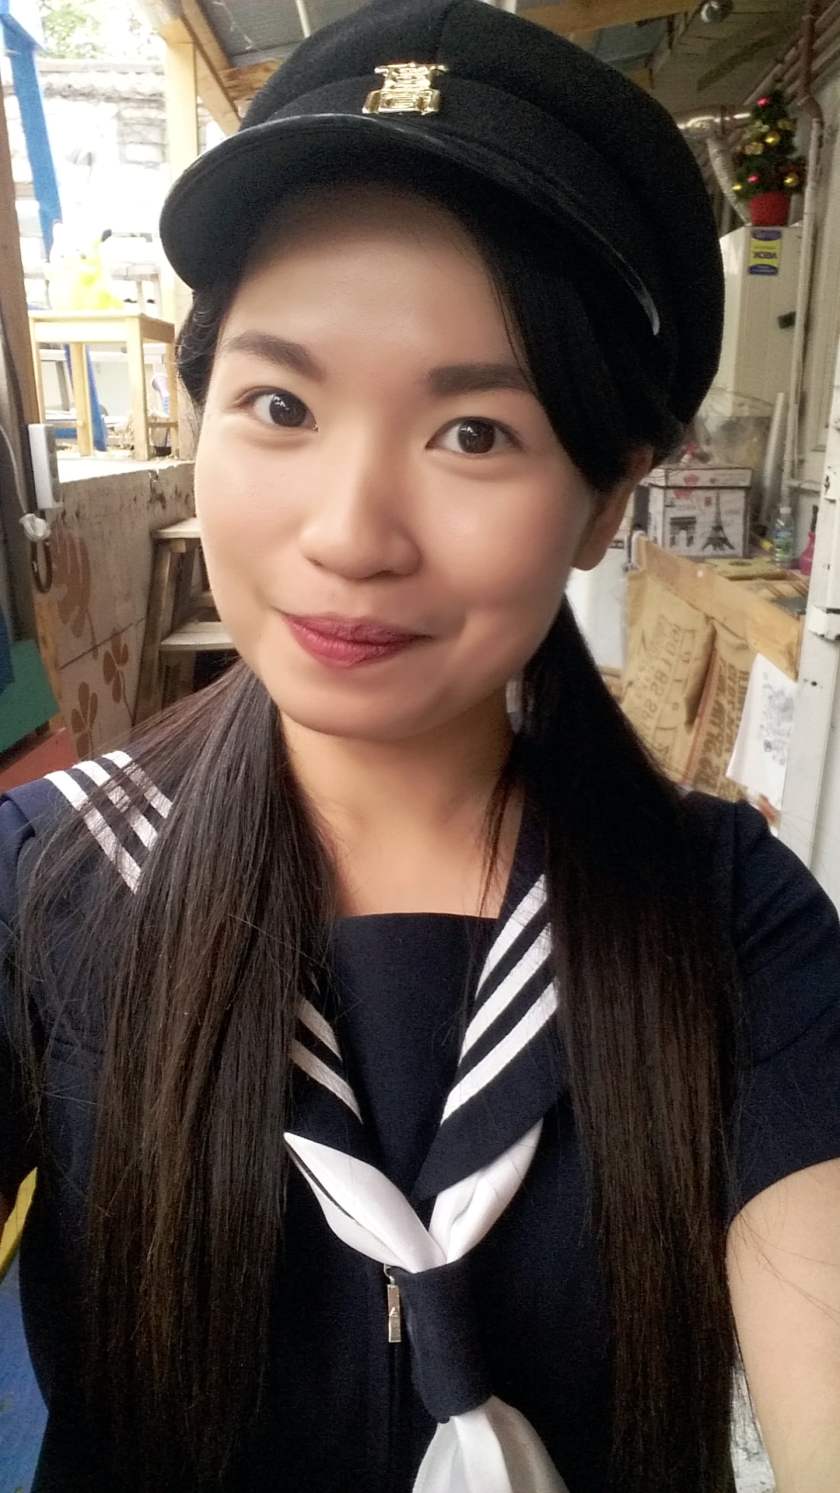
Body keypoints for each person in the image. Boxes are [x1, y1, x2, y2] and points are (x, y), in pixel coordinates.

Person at [2, 0, 839, 1488]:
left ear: (606, 498)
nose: (349, 534)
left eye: (475, 434)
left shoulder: (728, 922)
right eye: (280, 404)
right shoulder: (44, 883)